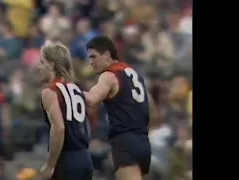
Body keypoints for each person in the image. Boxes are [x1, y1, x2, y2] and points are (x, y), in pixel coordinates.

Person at [84, 36, 156, 180]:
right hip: (143, 140)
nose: (90, 62)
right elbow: (152, 108)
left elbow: (92, 99)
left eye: (93, 57)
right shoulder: (134, 74)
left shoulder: (109, 75)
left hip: (125, 140)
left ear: (106, 55)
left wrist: (68, 90)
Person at [38, 41, 93, 180]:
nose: (39, 67)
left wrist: (50, 165)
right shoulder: (76, 89)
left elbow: (59, 129)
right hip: (85, 158)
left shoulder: (50, 92)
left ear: (51, 65)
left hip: (67, 160)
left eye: (42, 62)